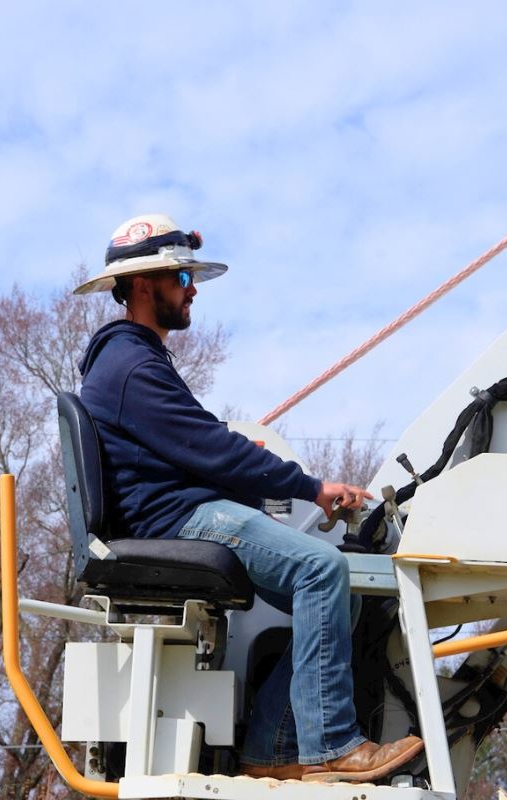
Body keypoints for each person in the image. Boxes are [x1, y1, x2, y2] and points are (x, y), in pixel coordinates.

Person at [75, 214, 423, 782]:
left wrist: (277, 496)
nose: (191, 291)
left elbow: (204, 451)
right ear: (143, 287)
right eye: (180, 278)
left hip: (178, 512)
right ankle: (331, 744)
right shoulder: (131, 366)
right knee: (321, 569)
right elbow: (215, 451)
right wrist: (310, 487)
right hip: (176, 521)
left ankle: (272, 746)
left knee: (345, 599)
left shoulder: (136, 360)